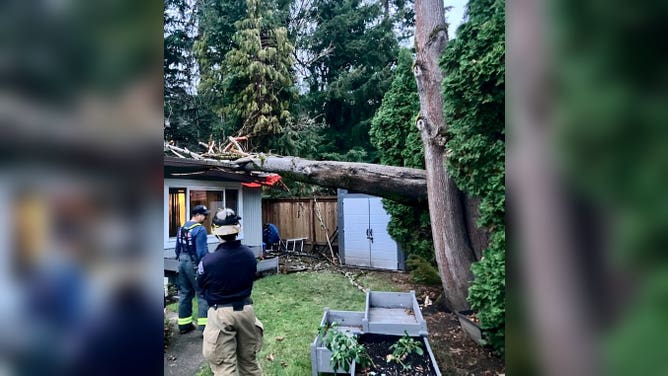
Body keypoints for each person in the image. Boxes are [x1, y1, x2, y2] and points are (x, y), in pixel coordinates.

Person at [198, 208, 263, 376]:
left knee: (225, 368)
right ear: (238, 228)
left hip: (221, 314)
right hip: (246, 311)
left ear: (214, 231)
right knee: (249, 363)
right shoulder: (249, 255)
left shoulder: (208, 261)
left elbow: (201, 285)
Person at [175, 204, 210, 334]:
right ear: (197, 215)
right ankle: (204, 329)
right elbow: (201, 252)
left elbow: (177, 248)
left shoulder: (182, 228)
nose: (206, 217)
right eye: (204, 215)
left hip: (182, 261)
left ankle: (184, 326)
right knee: (202, 294)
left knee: (185, 293)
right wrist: (206, 264)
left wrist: (181, 260)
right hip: (194, 263)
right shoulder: (200, 230)